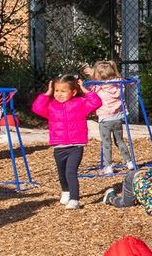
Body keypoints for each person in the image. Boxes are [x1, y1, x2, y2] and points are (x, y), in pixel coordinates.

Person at [32, 74, 102, 209]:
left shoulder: (80, 103)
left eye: (63, 91)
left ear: (73, 92)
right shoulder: (51, 106)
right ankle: (66, 191)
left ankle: (75, 200)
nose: (59, 94)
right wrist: (47, 94)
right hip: (59, 146)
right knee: (62, 173)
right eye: (57, 90)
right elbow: (37, 108)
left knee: (70, 172)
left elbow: (96, 102)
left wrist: (85, 89)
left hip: (75, 146)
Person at [85, 59, 135, 172]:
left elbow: (89, 91)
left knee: (106, 143)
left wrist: (91, 74)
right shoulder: (119, 84)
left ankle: (108, 166)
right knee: (120, 141)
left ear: (98, 75)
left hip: (104, 119)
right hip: (117, 117)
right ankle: (129, 162)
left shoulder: (97, 86)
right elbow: (127, 80)